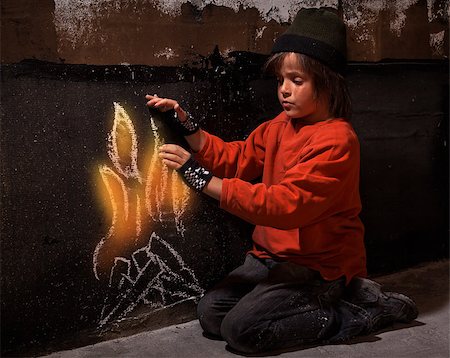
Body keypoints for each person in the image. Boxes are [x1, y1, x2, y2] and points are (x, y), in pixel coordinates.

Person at [146, 8, 418, 354]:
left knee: (241, 332)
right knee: (212, 314)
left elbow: (286, 206)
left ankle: (359, 310)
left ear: (327, 81)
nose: (284, 90)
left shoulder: (337, 140)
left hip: (316, 266)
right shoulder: (280, 125)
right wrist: (185, 123)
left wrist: (197, 177)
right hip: (269, 257)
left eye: (297, 81)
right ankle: (321, 298)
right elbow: (238, 158)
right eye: (280, 81)